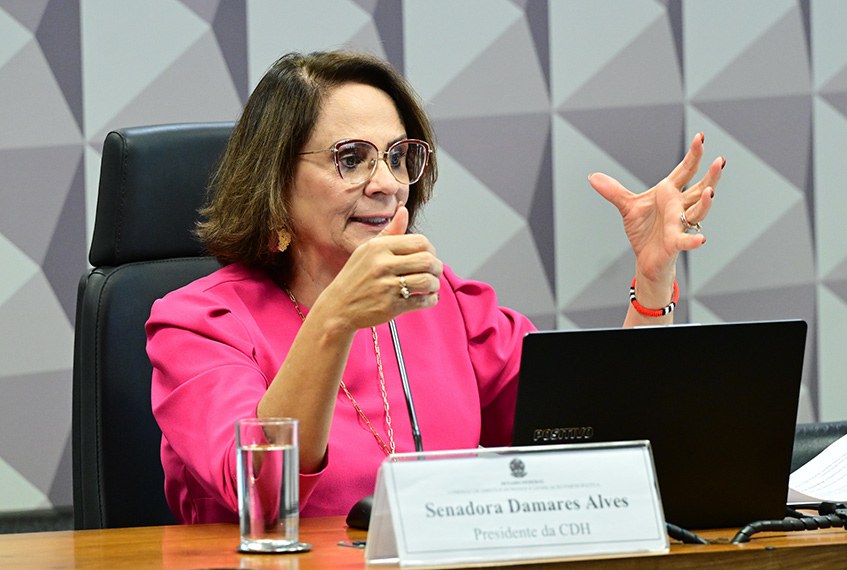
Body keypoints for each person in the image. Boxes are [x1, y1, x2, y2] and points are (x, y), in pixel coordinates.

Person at [146, 50, 723, 524]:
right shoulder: (198, 323)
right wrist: (335, 319)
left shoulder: (446, 302)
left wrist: (653, 279)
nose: (387, 185)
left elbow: (595, 439)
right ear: (275, 178)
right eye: (351, 159)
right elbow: (263, 498)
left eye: (399, 158)